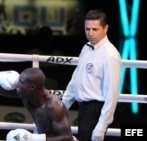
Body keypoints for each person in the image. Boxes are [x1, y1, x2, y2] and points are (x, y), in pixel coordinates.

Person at [61, 9, 122, 141]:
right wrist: (63, 105)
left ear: (105, 28)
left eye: (95, 29)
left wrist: (102, 125)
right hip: (84, 108)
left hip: (96, 111)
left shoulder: (110, 55)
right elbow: (76, 79)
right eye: (87, 29)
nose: (90, 33)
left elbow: (112, 93)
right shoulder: (86, 47)